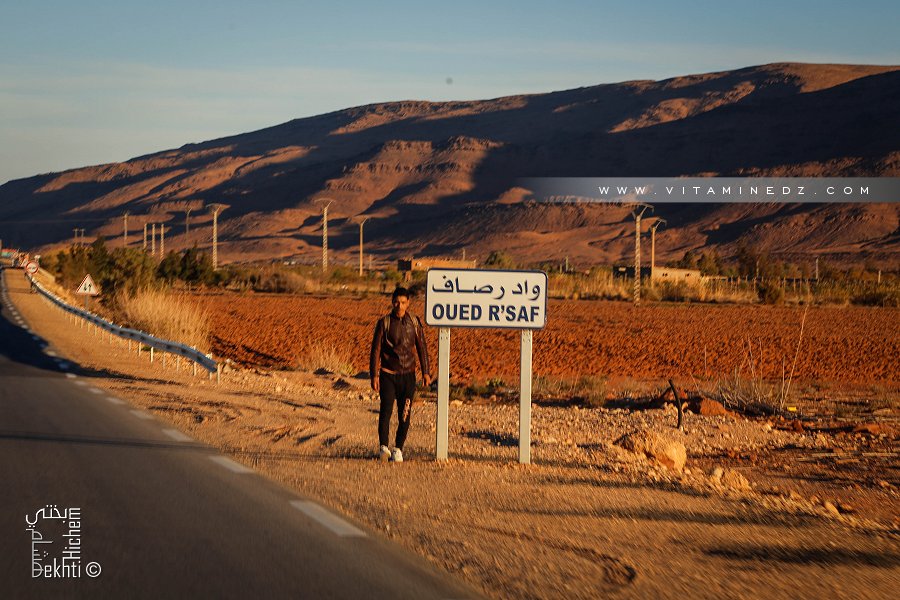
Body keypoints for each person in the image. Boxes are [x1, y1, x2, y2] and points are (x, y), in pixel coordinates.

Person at [370, 286, 432, 462]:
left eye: (403, 302)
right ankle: (383, 447)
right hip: (388, 374)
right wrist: (374, 375)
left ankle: (398, 448)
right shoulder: (384, 323)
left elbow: (422, 347)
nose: (400, 306)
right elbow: (376, 350)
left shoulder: (414, 322)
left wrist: (426, 372)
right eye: (397, 302)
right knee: (386, 411)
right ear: (392, 302)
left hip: (408, 376)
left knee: (404, 413)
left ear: (408, 303)